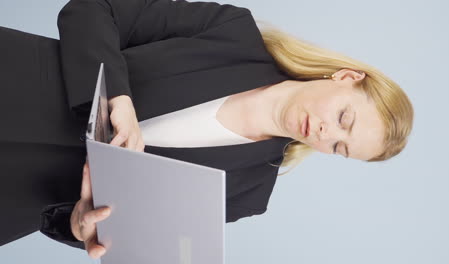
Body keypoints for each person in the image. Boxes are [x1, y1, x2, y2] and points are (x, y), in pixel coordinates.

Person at [0, 0, 413, 259]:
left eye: (339, 147)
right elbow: (94, 8)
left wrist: (78, 227)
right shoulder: (232, 31)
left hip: (15, 198)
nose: (325, 133)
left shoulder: (248, 193)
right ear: (345, 77)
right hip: (13, 81)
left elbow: (110, 230)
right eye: (344, 119)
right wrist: (117, 98)